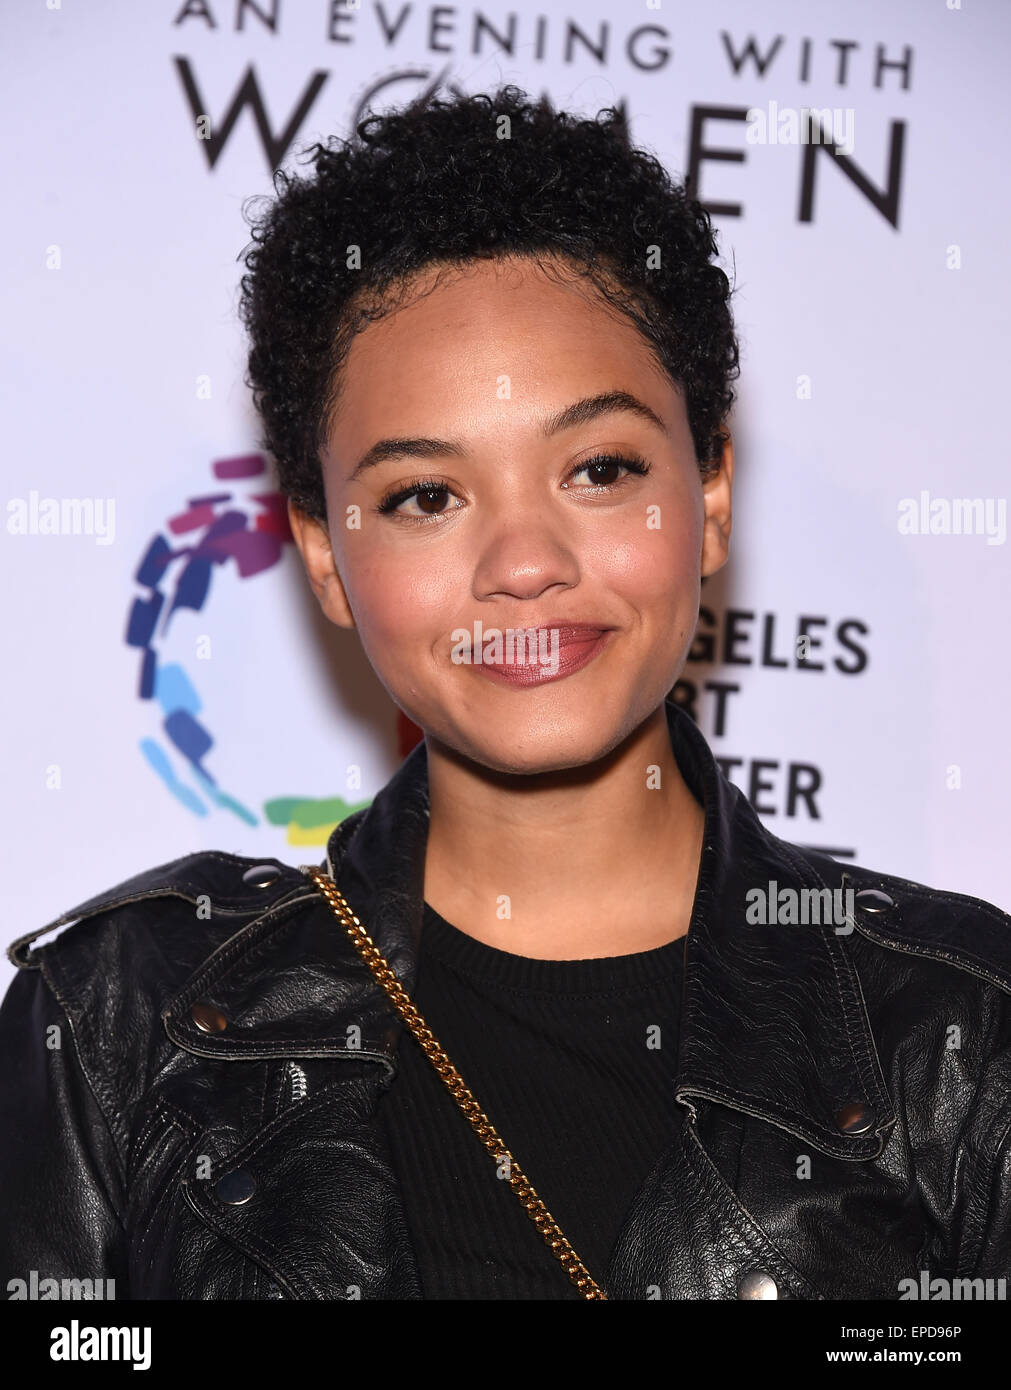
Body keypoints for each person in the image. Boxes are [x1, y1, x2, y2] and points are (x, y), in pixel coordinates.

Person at [2, 85, 1010, 1303]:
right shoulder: (119, 1025)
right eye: (427, 493)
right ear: (325, 553)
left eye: (599, 467)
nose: (524, 562)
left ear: (714, 497)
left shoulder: (962, 1034)